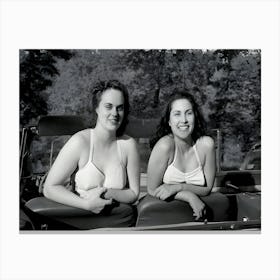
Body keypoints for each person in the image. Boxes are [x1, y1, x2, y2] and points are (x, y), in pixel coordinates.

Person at [43, 80, 140, 214]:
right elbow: (49, 188)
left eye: (120, 107)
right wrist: (86, 205)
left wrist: (107, 192)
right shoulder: (80, 142)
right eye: (108, 106)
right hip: (81, 221)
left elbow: (134, 193)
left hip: (116, 223)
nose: (115, 113)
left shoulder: (129, 145)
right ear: (96, 108)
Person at [147, 90, 216, 220]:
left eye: (188, 113)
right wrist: (189, 196)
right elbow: (152, 189)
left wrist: (177, 187)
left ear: (195, 116)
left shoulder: (206, 145)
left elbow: (207, 189)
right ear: (169, 121)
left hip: (198, 219)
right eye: (177, 114)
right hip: (166, 217)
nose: (184, 120)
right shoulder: (164, 147)